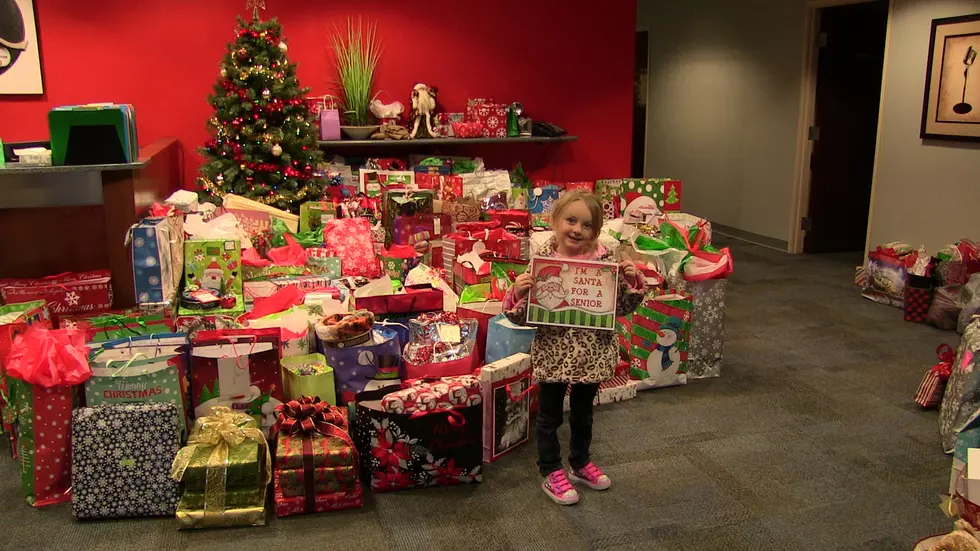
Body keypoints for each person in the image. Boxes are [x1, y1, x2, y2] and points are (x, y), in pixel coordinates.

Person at [502, 190, 645, 505]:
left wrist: (632, 282)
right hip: (554, 351)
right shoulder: (543, 261)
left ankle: (579, 462)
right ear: (555, 221)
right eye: (570, 220)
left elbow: (621, 306)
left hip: (592, 352)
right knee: (550, 416)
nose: (577, 230)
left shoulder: (606, 260)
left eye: (587, 225)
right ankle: (550, 469)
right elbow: (523, 315)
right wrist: (517, 293)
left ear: (596, 230)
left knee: (583, 414)